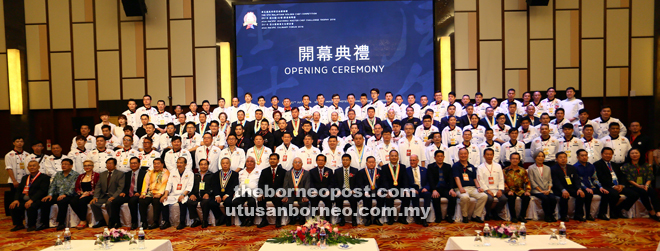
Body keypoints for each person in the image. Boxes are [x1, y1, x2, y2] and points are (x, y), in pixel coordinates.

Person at [594, 147, 639, 219]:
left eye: (610, 154)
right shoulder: (597, 164)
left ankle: (618, 209)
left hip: (618, 186)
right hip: (606, 185)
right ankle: (612, 212)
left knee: (634, 195)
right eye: (606, 154)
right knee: (615, 194)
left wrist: (621, 185)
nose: (608, 155)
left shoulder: (615, 165)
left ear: (612, 155)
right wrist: (613, 186)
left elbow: (622, 176)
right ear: (602, 154)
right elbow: (601, 178)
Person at [9, 160, 50, 232]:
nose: (32, 167)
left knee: (31, 206)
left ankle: (32, 225)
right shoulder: (25, 178)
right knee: (14, 206)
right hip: (24, 198)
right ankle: (19, 224)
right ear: (27, 168)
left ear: (39, 167)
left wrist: (32, 200)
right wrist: (16, 199)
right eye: (30, 166)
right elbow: (19, 190)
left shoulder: (44, 177)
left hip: (37, 199)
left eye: (34, 165)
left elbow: (42, 191)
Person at [39, 159, 78, 230]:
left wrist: (65, 194)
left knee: (62, 201)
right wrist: (50, 195)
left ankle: (61, 223)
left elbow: (74, 187)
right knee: (45, 201)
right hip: (57, 194)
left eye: (66, 164)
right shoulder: (58, 174)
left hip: (69, 195)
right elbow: (53, 185)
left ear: (71, 166)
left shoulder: (75, 175)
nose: (64, 165)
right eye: (62, 164)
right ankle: (44, 223)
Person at [551, 152, 592, 222]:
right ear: (556, 159)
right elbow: (555, 181)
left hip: (571, 188)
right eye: (560, 157)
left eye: (564, 157)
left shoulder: (571, 167)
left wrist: (579, 189)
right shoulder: (553, 169)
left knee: (582, 194)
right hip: (559, 189)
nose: (563, 159)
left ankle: (578, 215)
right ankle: (564, 216)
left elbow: (576, 179)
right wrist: (563, 190)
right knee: (564, 196)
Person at [621, 149, 660, 221]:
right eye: (632, 153)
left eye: (636, 153)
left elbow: (650, 176)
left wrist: (647, 185)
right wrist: (638, 186)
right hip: (632, 186)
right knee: (643, 192)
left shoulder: (645, 165)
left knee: (653, 192)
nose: (634, 155)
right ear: (629, 155)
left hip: (645, 185)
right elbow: (628, 178)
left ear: (640, 154)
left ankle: (658, 211)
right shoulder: (626, 166)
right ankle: (651, 211)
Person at [452, 148, 487, 223]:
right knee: (465, 197)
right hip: (460, 189)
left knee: (484, 196)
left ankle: (476, 215)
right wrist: (460, 188)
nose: (463, 155)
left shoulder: (471, 166)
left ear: (468, 155)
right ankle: (465, 216)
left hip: (472, 188)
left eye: (465, 153)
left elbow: (474, 179)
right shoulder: (455, 165)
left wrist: (478, 187)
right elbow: (456, 178)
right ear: (458, 155)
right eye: (461, 154)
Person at [160, 157, 195, 229]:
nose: (179, 164)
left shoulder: (190, 173)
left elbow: (189, 186)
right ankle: (166, 222)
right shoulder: (173, 173)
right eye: (178, 163)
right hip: (173, 194)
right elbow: (169, 185)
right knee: (164, 201)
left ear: (185, 164)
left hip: (184, 194)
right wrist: (165, 195)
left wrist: (183, 195)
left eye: (181, 163)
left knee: (183, 201)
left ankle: (182, 222)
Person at [90, 158, 125, 228]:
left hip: (113, 195)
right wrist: (95, 197)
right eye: (107, 163)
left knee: (110, 203)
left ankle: (112, 221)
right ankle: (101, 221)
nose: (109, 165)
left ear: (115, 165)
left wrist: (114, 196)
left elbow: (120, 187)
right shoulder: (102, 174)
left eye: (111, 163)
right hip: (103, 196)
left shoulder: (120, 174)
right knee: (93, 203)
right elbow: (98, 186)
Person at [115, 157, 146, 229]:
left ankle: (134, 222)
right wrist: (123, 192)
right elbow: (124, 186)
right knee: (115, 201)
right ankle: (116, 222)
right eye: (131, 163)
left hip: (138, 193)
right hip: (128, 193)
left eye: (135, 163)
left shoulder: (144, 173)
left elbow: (146, 185)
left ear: (139, 164)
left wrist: (140, 192)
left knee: (132, 201)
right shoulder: (127, 174)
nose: (133, 165)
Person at [256, 154, 286, 228]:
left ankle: (278, 220)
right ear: (269, 160)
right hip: (267, 193)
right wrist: (261, 193)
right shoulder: (264, 171)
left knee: (278, 201)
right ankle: (264, 220)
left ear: (278, 161)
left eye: (274, 159)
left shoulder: (283, 171)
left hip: (277, 194)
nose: (272, 160)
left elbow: (285, 184)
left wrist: (280, 191)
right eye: (271, 159)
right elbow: (261, 183)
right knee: (260, 200)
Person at [427, 150, 457, 223]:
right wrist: (433, 190)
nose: (440, 158)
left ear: (444, 157)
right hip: (435, 188)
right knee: (435, 197)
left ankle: (449, 216)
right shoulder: (430, 166)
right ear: (435, 158)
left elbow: (451, 179)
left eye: (441, 156)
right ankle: (438, 216)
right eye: (438, 156)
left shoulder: (448, 166)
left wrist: (451, 189)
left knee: (453, 196)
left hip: (445, 188)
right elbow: (430, 179)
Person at [139, 158, 170, 229]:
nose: (156, 165)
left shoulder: (166, 172)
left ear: (162, 164)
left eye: (158, 163)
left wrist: (159, 194)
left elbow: (164, 184)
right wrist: (143, 193)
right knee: (142, 201)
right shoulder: (149, 172)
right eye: (155, 163)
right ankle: (144, 222)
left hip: (160, 193)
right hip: (150, 193)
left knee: (156, 201)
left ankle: (155, 222)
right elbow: (145, 183)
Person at [477, 149, 507, 221]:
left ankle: (495, 212)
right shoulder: (480, 167)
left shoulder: (498, 166)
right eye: (487, 154)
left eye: (491, 154)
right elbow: (480, 180)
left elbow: (501, 179)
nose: (489, 156)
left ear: (493, 156)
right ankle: (487, 213)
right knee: (489, 199)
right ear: (484, 156)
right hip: (486, 190)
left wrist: (500, 190)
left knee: (504, 199)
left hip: (497, 189)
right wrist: (487, 190)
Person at [381, 150, 410, 225]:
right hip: (389, 189)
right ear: (389, 157)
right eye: (392, 156)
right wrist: (387, 190)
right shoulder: (384, 167)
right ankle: (390, 219)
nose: (394, 157)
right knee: (389, 198)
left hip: (400, 189)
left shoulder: (402, 167)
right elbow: (384, 180)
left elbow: (405, 179)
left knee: (407, 197)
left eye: (395, 156)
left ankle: (402, 218)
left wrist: (406, 189)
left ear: (398, 157)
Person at [231, 157, 261, 227]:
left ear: (254, 163)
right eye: (247, 161)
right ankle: (243, 219)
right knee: (235, 202)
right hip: (242, 192)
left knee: (252, 202)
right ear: (245, 163)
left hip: (253, 193)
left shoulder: (259, 172)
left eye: (251, 161)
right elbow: (236, 183)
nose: (249, 163)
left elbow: (262, 183)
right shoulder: (240, 172)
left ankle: (251, 220)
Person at [528, 151, 557, 222]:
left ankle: (551, 214)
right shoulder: (531, 168)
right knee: (545, 198)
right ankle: (547, 216)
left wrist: (549, 189)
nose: (541, 158)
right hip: (536, 190)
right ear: (535, 158)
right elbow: (532, 181)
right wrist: (541, 191)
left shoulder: (548, 168)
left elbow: (550, 180)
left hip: (547, 189)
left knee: (553, 198)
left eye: (542, 156)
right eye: (539, 156)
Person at [210, 157, 239, 226]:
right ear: (221, 164)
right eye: (223, 163)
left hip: (229, 194)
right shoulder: (216, 174)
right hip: (219, 194)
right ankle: (221, 217)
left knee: (228, 202)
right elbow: (214, 185)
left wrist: (227, 194)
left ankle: (228, 219)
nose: (225, 165)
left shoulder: (234, 174)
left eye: (227, 163)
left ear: (230, 164)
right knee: (211, 203)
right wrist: (217, 195)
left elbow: (235, 185)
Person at [574, 149, 602, 221]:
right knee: (588, 194)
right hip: (582, 187)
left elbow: (594, 178)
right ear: (578, 157)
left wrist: (600, 187)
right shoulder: (574, 167)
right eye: (582, 156)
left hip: (592, 186)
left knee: (606, 193)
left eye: (586, 155)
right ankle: (586, 214)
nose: (584, 157)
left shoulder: (591, 166)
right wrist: (586, 188)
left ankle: (602, 213)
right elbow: (577, 180)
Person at [503, 153, 531, 223]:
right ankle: (513, 217)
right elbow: (502, 182)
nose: (515, 160)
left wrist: (527, 190)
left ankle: (522, 216)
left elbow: (527, 181)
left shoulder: (523, 170)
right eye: (513, 158)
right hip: (510, 190)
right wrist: (508, 190)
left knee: (527, 197)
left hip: (520, 190)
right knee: (511, 197)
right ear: (510, 160)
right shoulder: (505, 170)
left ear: (519, 160)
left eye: (516, 159)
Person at [71, 160, 99, 229]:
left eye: (89, 165)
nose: (87, 167)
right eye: (85, 165)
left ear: (93, 166)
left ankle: (83, 221)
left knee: (82, 201)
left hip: (92, 195)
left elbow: (99, 187)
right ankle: (83, 219)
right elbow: (77, 187)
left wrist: (89, 193)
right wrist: (82, 193)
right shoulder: (81, 176)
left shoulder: (97, 175)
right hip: (82, 194)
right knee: (72, 201)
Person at [283, 157, 311, 225]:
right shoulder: (288, 173)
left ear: (302, 164)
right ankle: (292, 218)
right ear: (292, 164)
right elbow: (285, 185)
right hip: (291, 193)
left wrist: (305, 196)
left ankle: (302, 218)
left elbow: (307, 185)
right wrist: (286, 195)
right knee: (286, 203)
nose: (297, 164)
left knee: (304, 203)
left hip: (301, 193)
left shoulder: (306, 173)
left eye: (299, 162)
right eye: (295, 162)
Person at [187, 159, 214, 228]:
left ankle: (205, 220)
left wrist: (208, 193)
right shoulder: (195, 175)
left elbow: (213, 187)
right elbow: (190, 186)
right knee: (190, 202)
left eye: (205, 164)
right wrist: (191, 194)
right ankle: (196, 219)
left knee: (205, 202)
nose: (203, 166)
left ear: (208, 165)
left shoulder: (212, 175)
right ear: (199, 166)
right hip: (196, 195)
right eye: (201, 164)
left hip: (206, 196)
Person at [405, 155, 430, 227]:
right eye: (411, 160)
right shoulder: (406, 170)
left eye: (414, 160)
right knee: (414, 196)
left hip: (423, 189)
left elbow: (429, 181)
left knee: (428, 194)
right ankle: (417, 217)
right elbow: (405, 183)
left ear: (417, 161)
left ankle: (424, 218)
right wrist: (411, 189)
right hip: (413, 190)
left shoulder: (424, 170)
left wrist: (426, 188)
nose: (412, 162)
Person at [309, 155, 334, 219]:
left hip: (326, 192)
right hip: (316, 192)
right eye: (319, 160)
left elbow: (332, 183)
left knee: (329, 200)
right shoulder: (312, 171)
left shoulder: (329, 171)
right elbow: (310, 183)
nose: (320, 162)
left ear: (325, 162)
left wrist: (328, 190)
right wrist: (314, 190)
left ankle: (328, 220)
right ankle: (314, 220)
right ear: (316, 161)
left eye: (322, 160)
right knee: (313, 199)